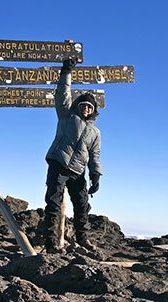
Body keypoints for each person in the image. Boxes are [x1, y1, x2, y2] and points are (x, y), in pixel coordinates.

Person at [43, 58, 102, 254]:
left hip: (78, 171)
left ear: (93, 111)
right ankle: (51, 243)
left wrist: (95, 174)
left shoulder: (95, 132)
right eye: (84, 105)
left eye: (90, 107)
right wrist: (66, 71)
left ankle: (82, 239)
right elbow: (62, 94)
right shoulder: (67, 115)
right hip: (59, 163)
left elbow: (95, 155)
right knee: (53, 201)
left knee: (82, 205)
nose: (86, 108)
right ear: (78, 105)